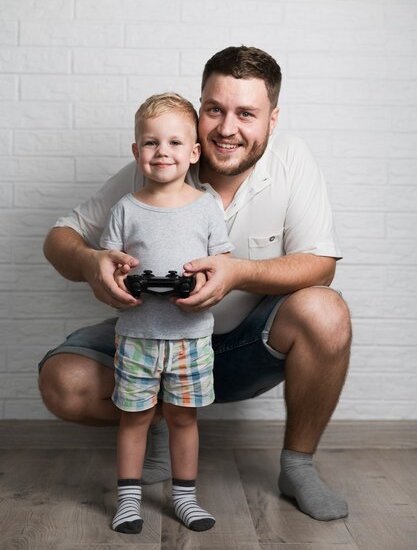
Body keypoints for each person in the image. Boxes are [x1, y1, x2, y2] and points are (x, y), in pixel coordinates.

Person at [39, 45, 352, 523]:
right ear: (199, 109)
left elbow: (320, 265)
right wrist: (89, 261)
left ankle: (298, 465)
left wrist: (238, 272)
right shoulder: (161, 160)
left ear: (272, 119)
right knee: (62, 382)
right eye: (215, 109)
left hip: (247, 345)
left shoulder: (292, 158)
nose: (227, 128)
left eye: (246, 113)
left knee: (326, 310)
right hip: (151, 334)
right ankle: (158, 422)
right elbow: (60, 237)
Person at [100, 93, 233, 533]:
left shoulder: (206, 207)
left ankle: (185, 497)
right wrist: (120, 280)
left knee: (183, 417)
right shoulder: (124, 209)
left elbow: (222, 268)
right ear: (137, 151)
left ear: (194, 152)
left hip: (191, 337)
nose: (163, 152)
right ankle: (129, 499)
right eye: (152, 143)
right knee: (134, 417)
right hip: (137, 333)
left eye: (175, 143)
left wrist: (202, 285)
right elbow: (110, 269)